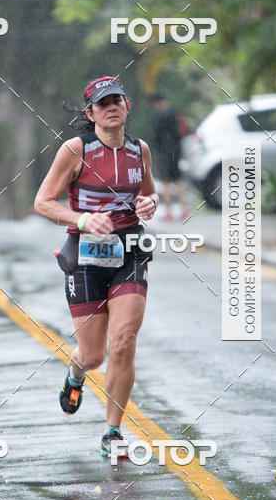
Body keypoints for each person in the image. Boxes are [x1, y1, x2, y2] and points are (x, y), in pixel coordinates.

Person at [34, 76, 159, 457]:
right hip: (86, 256)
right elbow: (43, 202)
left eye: (117, 101)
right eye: (102, 104)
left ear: (127, 106)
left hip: (130, 251)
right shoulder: (76, 151)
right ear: (90, 114)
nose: (111, 108)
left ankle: (112, 433)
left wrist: (151, 204)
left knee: (124, 341)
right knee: (93, 356)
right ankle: (76, 375)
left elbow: (149, 193)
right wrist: (84, 220)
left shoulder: (139, 150)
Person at [151, 92, 190, 220]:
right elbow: (182, 133)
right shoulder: (175, 112)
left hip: (164, 153)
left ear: (157, 103)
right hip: (176, 152)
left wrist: (157, 149)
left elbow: (158, 136)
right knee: (178, 180)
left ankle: (169, 213)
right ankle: (184, 211)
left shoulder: (161, 115)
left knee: (165, 182)